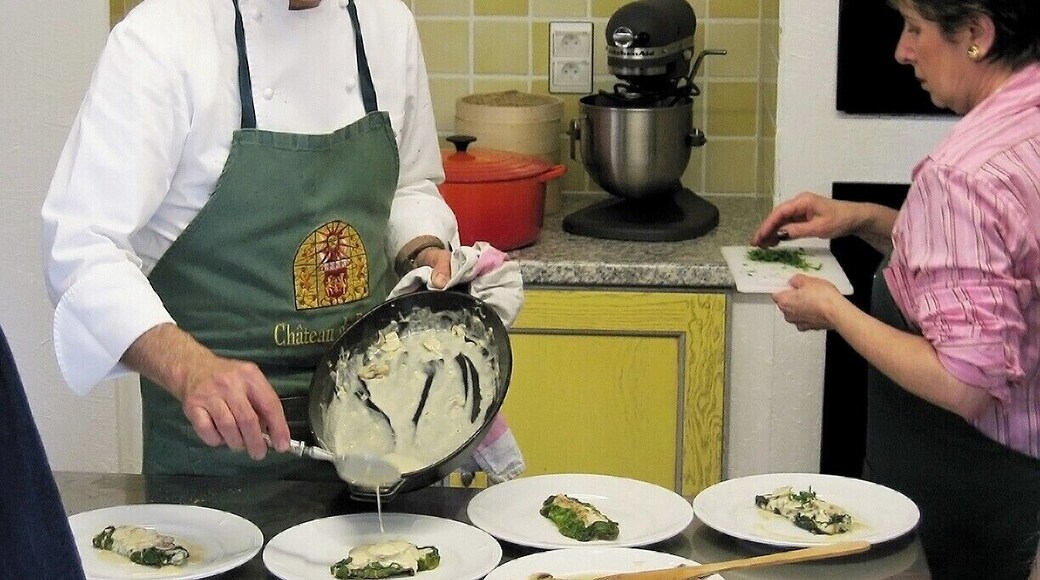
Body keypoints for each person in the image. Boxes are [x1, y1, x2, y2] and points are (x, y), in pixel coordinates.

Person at [41, 0, 477, 479]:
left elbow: (409, 184)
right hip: (217, 460)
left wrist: (423, 250)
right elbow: (82, 248)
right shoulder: (162, 37)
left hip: (384, 434)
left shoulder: (388, 25)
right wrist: (190, 369)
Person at [751, 1, 1040, 578]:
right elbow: (994, 269)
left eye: (914, 28)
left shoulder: (963, 176)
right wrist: (865, 219)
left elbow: (966, 382)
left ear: (977, 34)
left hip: (973, 500)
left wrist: (835, 310)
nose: (902, 52)